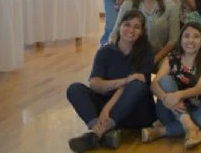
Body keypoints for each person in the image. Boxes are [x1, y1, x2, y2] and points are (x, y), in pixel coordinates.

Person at [66, 10, 156, 152]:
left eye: (136, 27)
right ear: (119, 26)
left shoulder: (146, 52)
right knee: (74, 88)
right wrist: (125, 79)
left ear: (141, 32)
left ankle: (99, 133)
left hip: (136, 111)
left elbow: (132, 87)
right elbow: (95, 84)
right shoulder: (104, 52)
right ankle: (101, 130)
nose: (131, 30)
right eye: (127, 24)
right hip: (108, 111)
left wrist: (107, 108)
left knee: (138, 86)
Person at [142, 22, 201, 148]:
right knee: (165, 80)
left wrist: (177, 95)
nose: (190, 40)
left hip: (199, 110)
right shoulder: (171, 58)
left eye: (196, 36)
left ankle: (161, 131)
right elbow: (154, 85)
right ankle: (189, 126)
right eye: (186, 36)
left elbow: (199, 89)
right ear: (181, 39)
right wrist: (165, 98)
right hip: (170, 110)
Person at [111, 0, 180, 65]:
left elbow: (173, 40)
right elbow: (114, 33)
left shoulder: (171, 6)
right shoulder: (128, 5)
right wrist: (119, 54)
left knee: (165, 76)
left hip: (160, 55)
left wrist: (154, 60)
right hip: (131, 54)